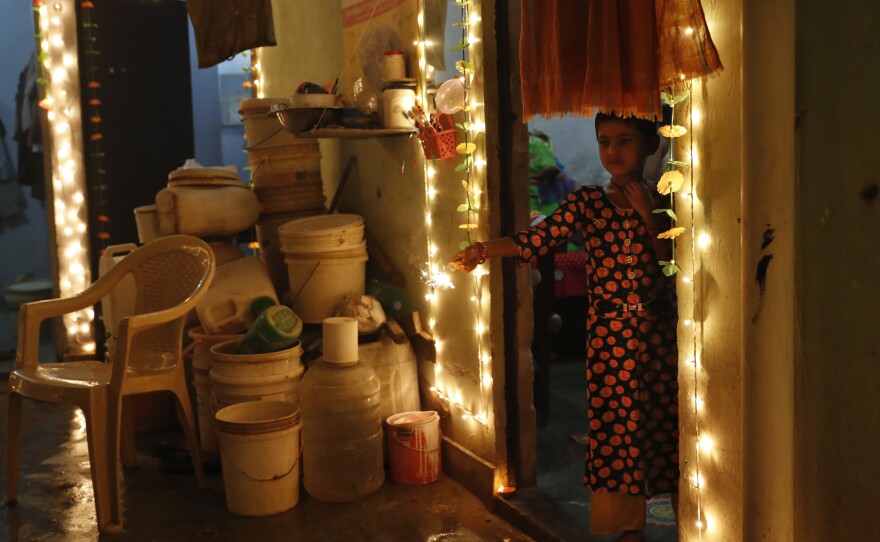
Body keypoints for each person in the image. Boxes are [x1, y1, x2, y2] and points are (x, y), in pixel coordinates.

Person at [451, 112, 679, 541]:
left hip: (659, 333)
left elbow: (671, 263)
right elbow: (535, 240)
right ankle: (626, 525)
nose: (613, 151)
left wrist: (648, 214)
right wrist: (483, 250)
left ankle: (672, 510)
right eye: (604, 141)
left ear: (651, 145)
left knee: (662, 421)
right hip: (611, 336)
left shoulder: (667, 200)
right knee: (617, 427)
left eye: (625, 141)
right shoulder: (587, 203)